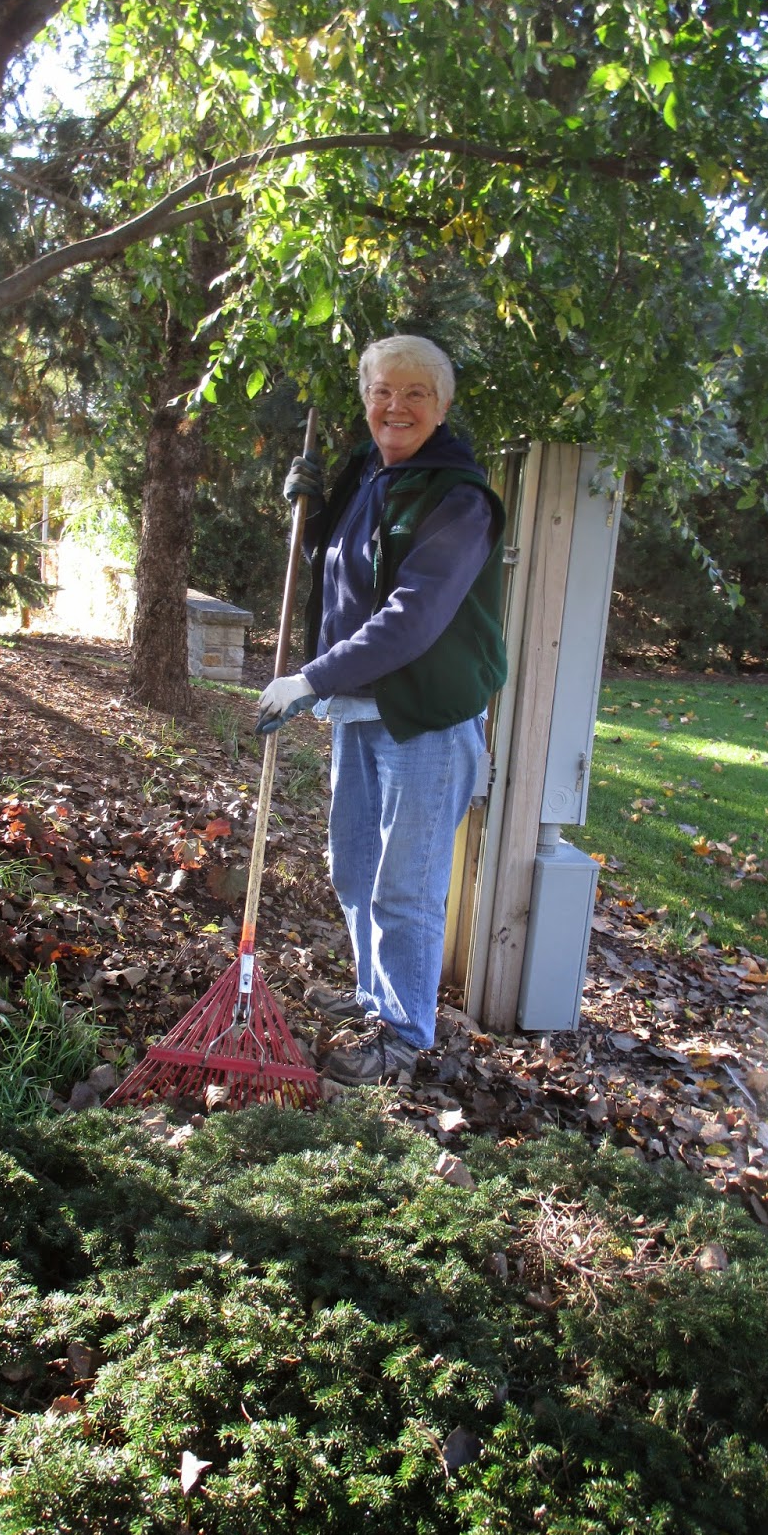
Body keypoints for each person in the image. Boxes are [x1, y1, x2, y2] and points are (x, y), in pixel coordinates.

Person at [257, 335, 509, 1085]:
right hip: (362, 707)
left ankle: (403, 1033)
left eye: (415, 393)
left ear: (443, 406)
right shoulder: (370, 472)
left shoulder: (458, 498)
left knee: (406, 883)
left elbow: (412, 614)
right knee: (356, 866)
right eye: (381, 391)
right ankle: (375, 994)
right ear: (366, 398)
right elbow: (348, 574)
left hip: (424, 713)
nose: (395, 407)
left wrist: (310, 678)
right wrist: (311, 515)